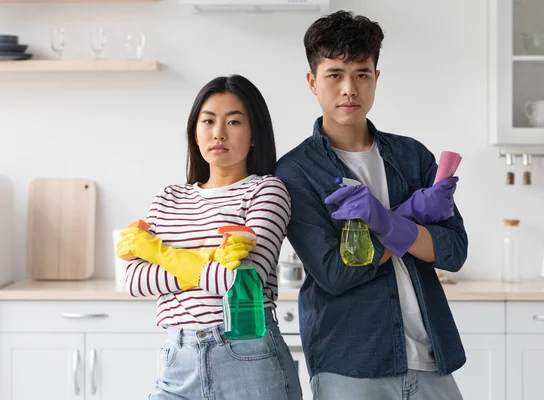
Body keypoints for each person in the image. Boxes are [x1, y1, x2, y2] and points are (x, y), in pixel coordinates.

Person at [275, 11, 468, 400]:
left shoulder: (413, 157)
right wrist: (409, 219)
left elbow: (453, 251)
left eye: (362, 74)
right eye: (335, 75)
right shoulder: (295, 171)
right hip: (351, 365)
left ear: (376, 79)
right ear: (312, 82)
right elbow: (334, 273)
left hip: (431, 358)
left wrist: (386, 222)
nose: (349, 88)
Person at [116, 74, 302, 400]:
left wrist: (160, 253)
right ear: (195, 131)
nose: (218, 133)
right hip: (178, 357)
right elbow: (133, 280)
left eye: (233, 121)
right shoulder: (167, 197)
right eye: (208, 121)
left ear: (254, 133)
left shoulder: (267, 191)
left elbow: (245, 283)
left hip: (248, 356)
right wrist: (209, 257)